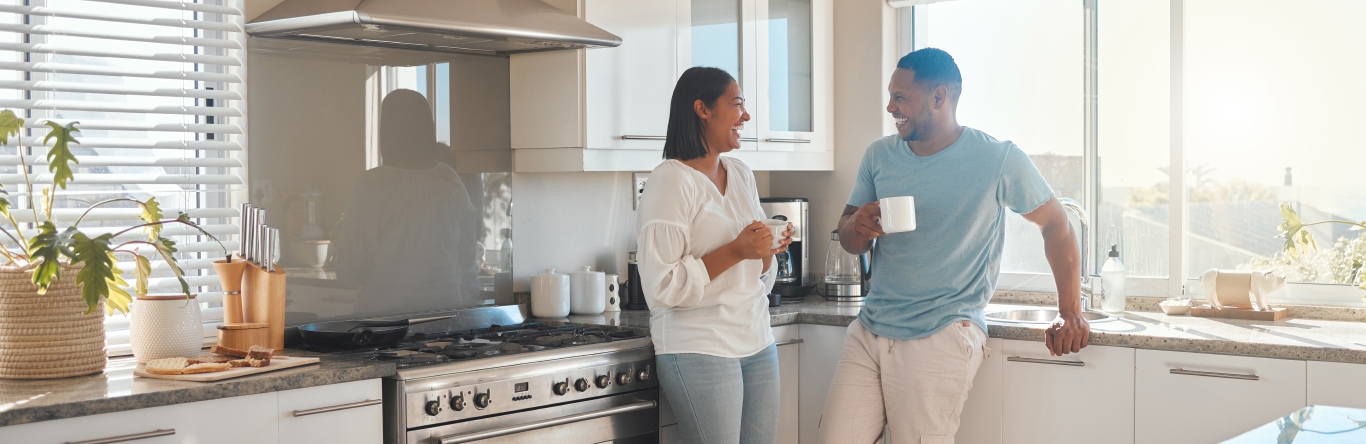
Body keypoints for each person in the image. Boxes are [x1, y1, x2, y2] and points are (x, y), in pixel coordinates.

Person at [821, 48, 1092, 443]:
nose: (890, 106)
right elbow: (848, 238)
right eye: (890, 95)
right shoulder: (879, 155)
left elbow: (1057, 225)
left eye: (901, 98)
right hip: (870, 329)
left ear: (939, 97)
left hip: (942, 331)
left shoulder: (997, 159)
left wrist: (1070, 311)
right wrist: (858, 225)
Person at [636, 66, 793, 444]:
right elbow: (661, 287)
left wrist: (768, 250)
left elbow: (756, 276)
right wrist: (737, 250)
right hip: (698, 346)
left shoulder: (740, 173)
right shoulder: (669, 180)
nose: (746, 116)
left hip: (756, 338)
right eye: (737, 104)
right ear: (702, 109)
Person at [332, 89, 480, 316]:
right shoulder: (449, 180)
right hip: (445, 319)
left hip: (384, 322)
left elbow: (349, 272)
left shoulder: (373, 184)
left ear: (386, 132)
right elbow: (467, 256)